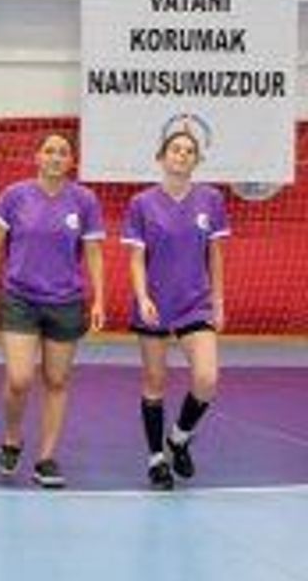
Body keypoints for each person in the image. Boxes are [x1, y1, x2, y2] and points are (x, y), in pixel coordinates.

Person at [0, 133, 105, 489]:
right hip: (19, 299)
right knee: (19, 379)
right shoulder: (14, 196)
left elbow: (93, 253)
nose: (55, 157)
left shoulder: (84, 200)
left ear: (71, 161)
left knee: (57, 381)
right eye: (49, 151)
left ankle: (46, 458)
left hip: (65, 301)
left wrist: (99, 299)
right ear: (37, 157)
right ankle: (12, 438)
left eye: (63, 152)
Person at [124, 130, 228, 491]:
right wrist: (142, 297)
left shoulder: (211, 199)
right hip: (155, 302)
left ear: (196, 160)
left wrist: (218, 301)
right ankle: (156, 459)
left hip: (195, 302)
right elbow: (136, 257)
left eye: (189, 151)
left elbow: (215, 255)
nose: (181, 155)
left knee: (207, 378)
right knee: (155, 381)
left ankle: (179, 438)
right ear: (162, 157)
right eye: (175, 149)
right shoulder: (142, 203)